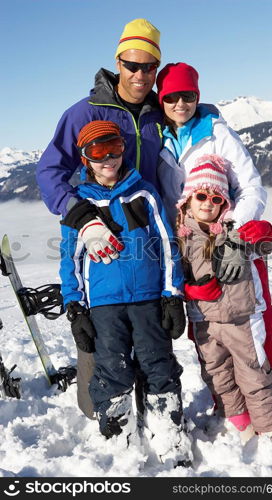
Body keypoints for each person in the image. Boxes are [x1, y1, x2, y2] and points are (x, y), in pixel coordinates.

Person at [156, 62, 272, 424]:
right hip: (189, 247)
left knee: (259, 337)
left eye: (187, 96)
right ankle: (234, 413)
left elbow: (252, 187)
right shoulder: (159, 140)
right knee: (209, 340)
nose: (180, 104)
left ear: (197, 97)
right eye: (171, 97)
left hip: (232, 243)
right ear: (161, 100)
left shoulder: (217, 132)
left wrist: (234, 232)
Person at [36, 18, 164, 419]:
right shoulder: (85, 112)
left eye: (149, 67)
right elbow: (49, 171)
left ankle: (153, 410)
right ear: (118, 62)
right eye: (132, 64)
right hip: (101, 245)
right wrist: (79, 215)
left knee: (153, 344)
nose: (140, 74)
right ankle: (105, 415)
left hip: (150, 249)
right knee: (101, 351)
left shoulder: (159, 112)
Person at [59, 120, 192, 465]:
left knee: (157, 364)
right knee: (112, 369)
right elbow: (70, 259)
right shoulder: (80, 206)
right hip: (104, 306)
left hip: (148, 298)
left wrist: (171, 293)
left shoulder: (143, 192)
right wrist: (75, 308)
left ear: (123, 150)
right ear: (85, 158)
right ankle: (120, 438)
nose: (108, 159)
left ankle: (167, 432)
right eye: (98, 152)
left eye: (114, 149)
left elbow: (166, 244)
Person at [175, 154, 272, 456]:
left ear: (225, 203)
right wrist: (192, 289)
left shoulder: (236, 231)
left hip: (242, 317)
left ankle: (270, 425)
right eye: (201, 196)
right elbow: (173, 278)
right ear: (188, 201)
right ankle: (240, 421)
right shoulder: (179, 237)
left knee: (254, 372)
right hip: (203, 321)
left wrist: (247, 236)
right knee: (218, 374)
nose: (207, 203)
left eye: (215, 197)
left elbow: (267, 236)